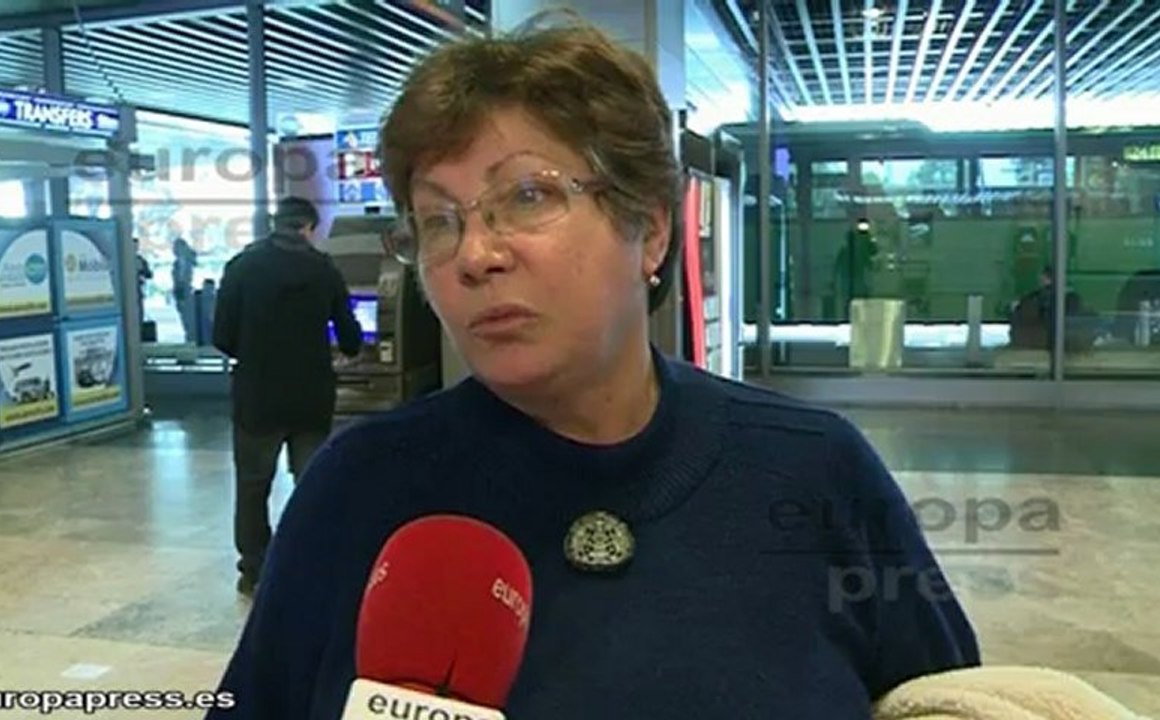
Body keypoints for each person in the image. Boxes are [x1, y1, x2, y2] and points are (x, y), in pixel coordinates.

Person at [208, 16, 979, 719]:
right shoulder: (357, 489)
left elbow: (951, 703)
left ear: (646, 230)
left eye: (527, 195)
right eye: (438, 221)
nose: (475, 254)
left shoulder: (816, 470)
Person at [212, 196, 363, 596]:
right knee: (311, 482)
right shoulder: (323, 269)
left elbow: (221, 337)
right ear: (309, 227)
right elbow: (350, 337)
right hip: (310, 396)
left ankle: (254, 569)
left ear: (276, 223)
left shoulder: (242, 266)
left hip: (257, 397)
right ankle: (308, 562)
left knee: (252, 486)